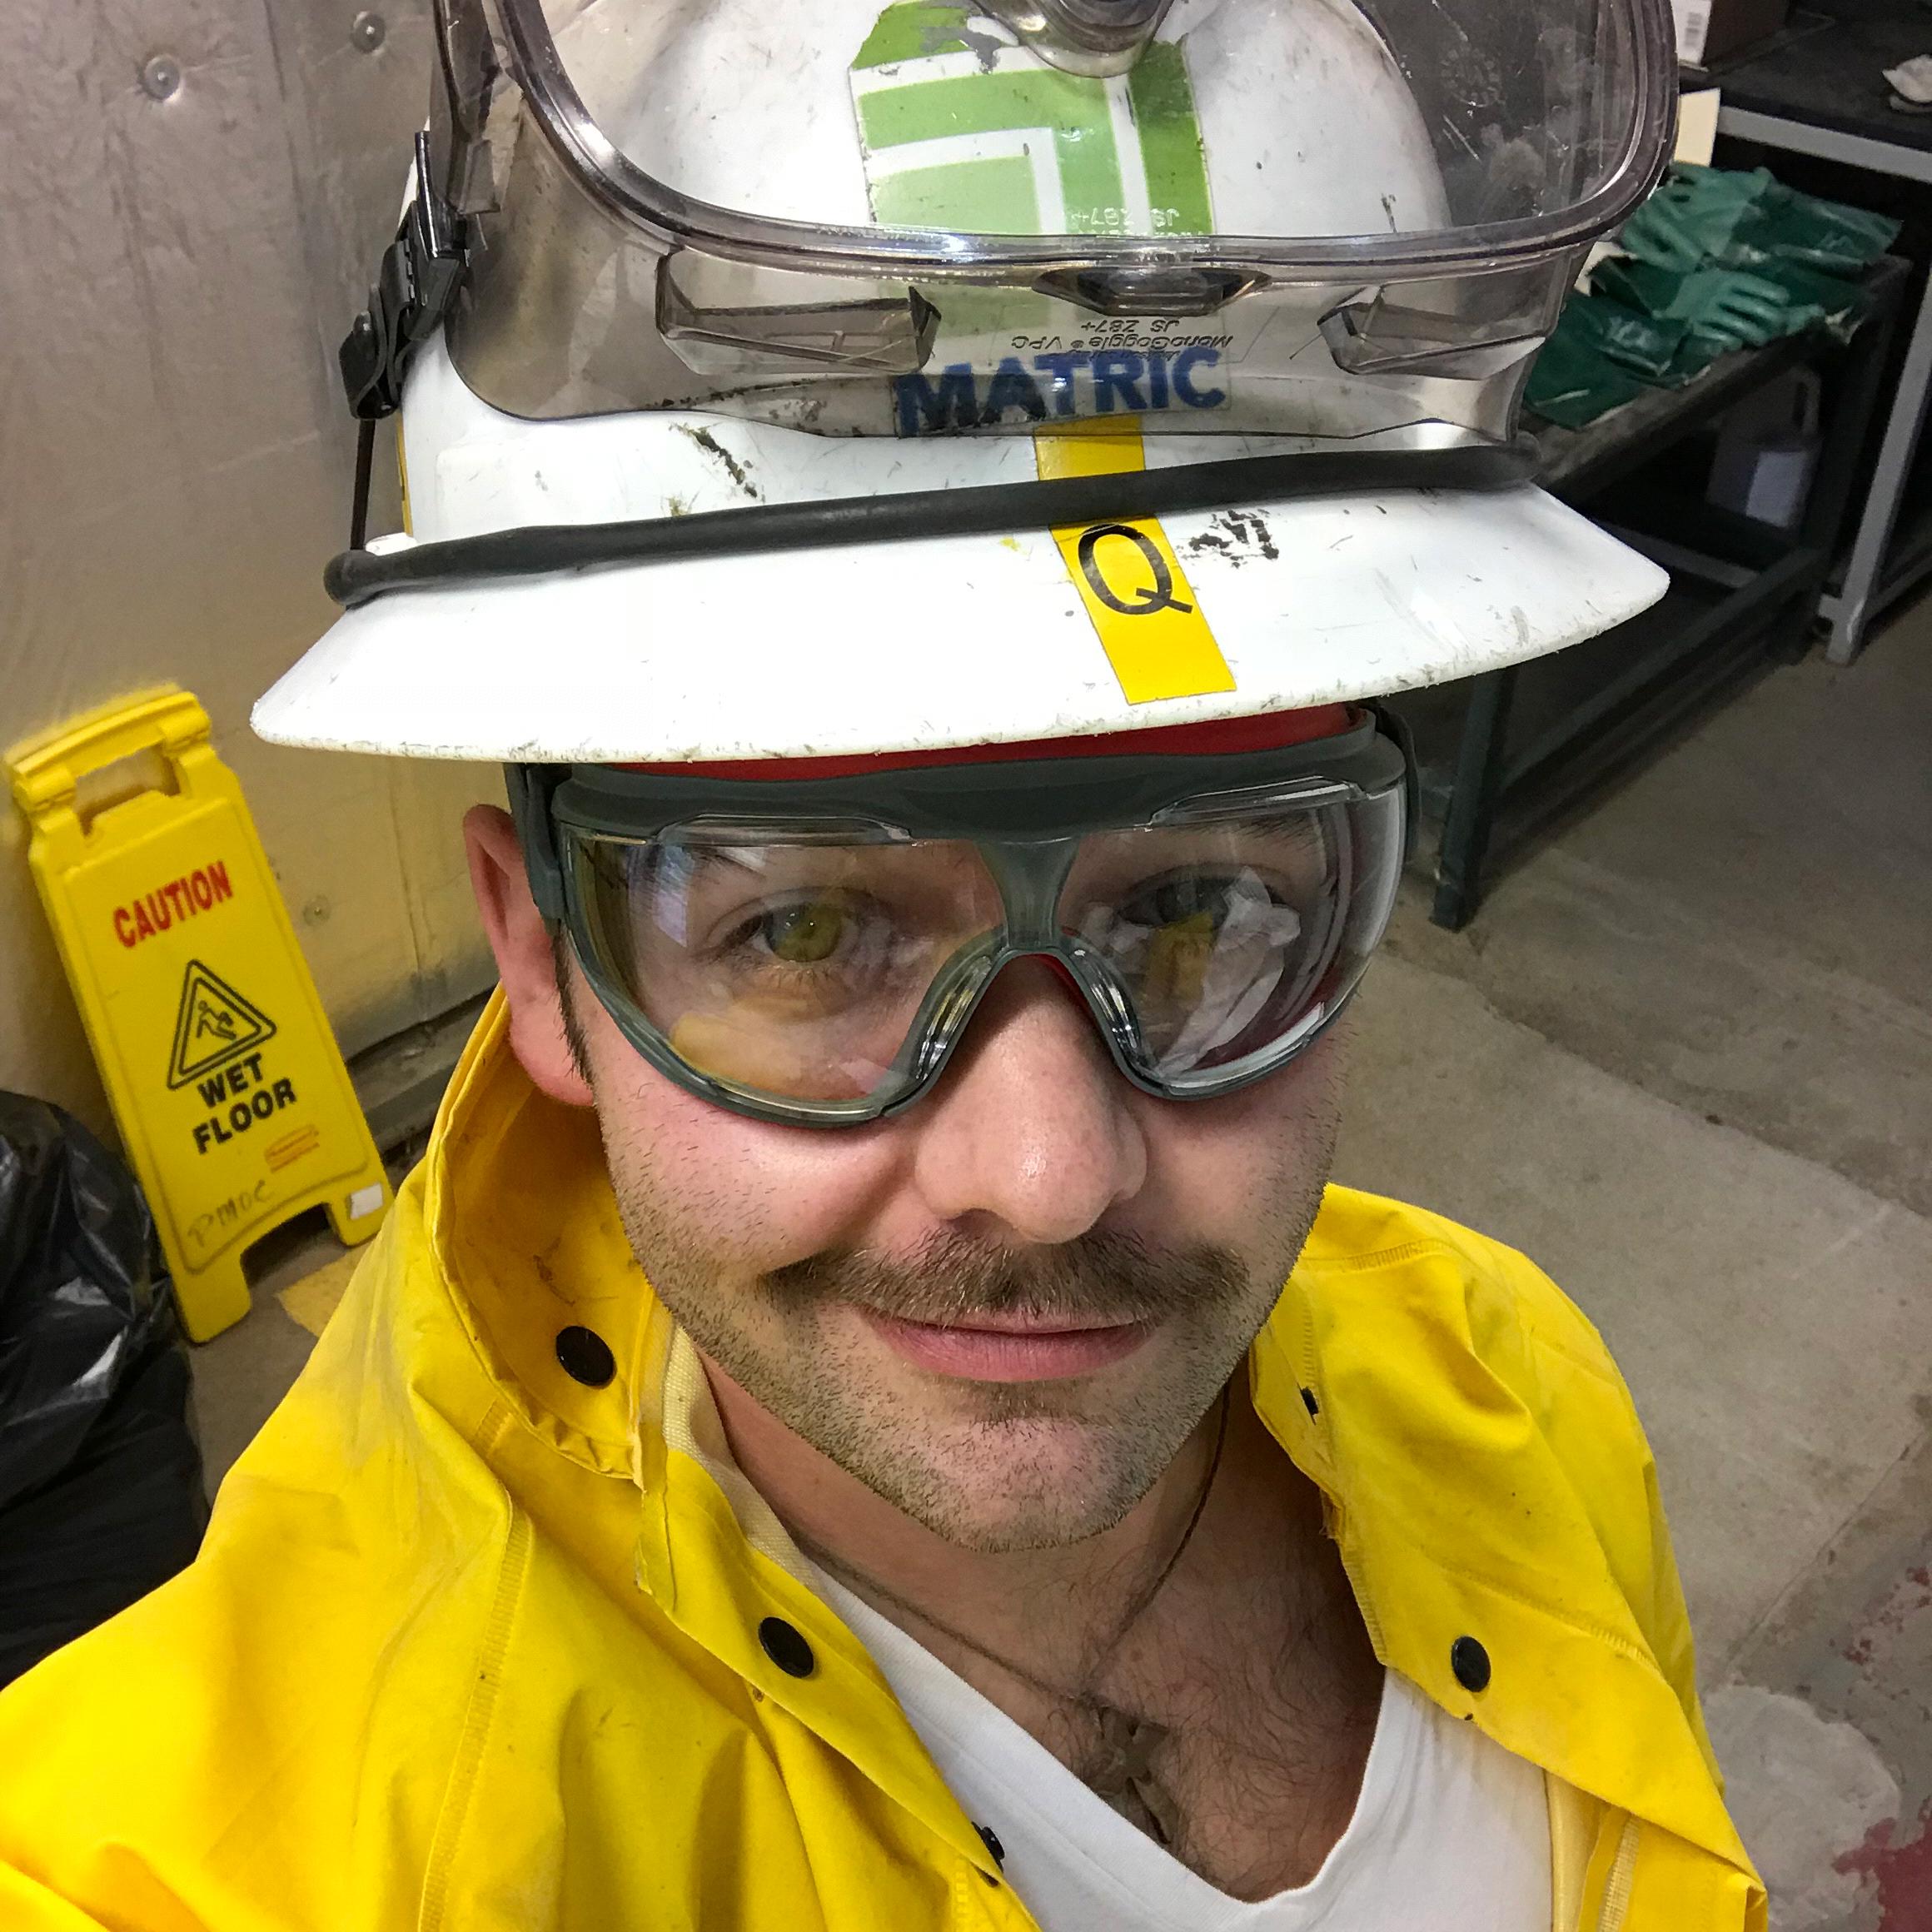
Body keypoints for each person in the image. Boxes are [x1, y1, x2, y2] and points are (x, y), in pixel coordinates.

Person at [0, 1, 1765, 1925]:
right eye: (806, 929)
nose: (1049, 1170)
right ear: (538, 957)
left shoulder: (1508, 1387)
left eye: (1196, 909)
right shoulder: (246, 1841)